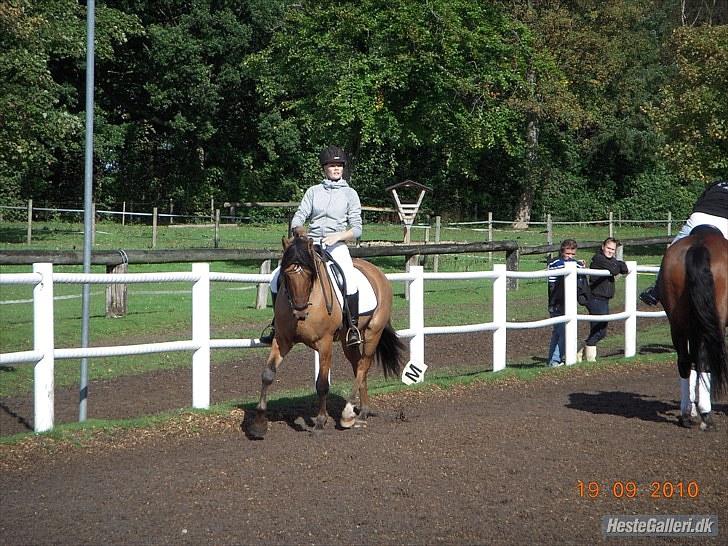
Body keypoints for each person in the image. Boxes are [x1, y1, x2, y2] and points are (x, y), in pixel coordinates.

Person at [260, 145, 364, 346]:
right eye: (332, 166)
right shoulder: (313, 192)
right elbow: (299, 216)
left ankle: (351, 327)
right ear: (324, 168)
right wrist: (299, 229)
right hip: (311, 243)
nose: (336, 169)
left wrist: (339, 236)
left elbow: (357, 228)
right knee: (276, 278)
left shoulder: (350, 194)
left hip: (336, 244)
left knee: (350, 278)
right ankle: (276, 325)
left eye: (339, 166)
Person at [640, 179, 728, 305]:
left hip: (698, 217)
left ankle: (656, 290)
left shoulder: (717, 183)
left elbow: (698, 203)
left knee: (673, 250)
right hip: (725, 221)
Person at [579, 237, 628, 362]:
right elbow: (616, 269)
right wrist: (617, 265)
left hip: (604, 299)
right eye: (608, 248)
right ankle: (589, 357)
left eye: (613, 249)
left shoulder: (611, 260)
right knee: (599, 330)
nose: (610, 251)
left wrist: (617, 264)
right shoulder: (598, 258)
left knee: (601, 330)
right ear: (603, 247)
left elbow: (624, 267)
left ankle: (581, 350)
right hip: (595, 298)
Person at [546, 239, 585, 367]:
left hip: (568, 304)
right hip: (557, 303)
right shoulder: (555, 264)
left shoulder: (575, 264)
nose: (570, 257)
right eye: (567, 253)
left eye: (573, 254)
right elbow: (552, 285)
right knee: (564, 332)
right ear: (562, 251)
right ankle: (555, 360)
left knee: (558, 332)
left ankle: (553, 359)